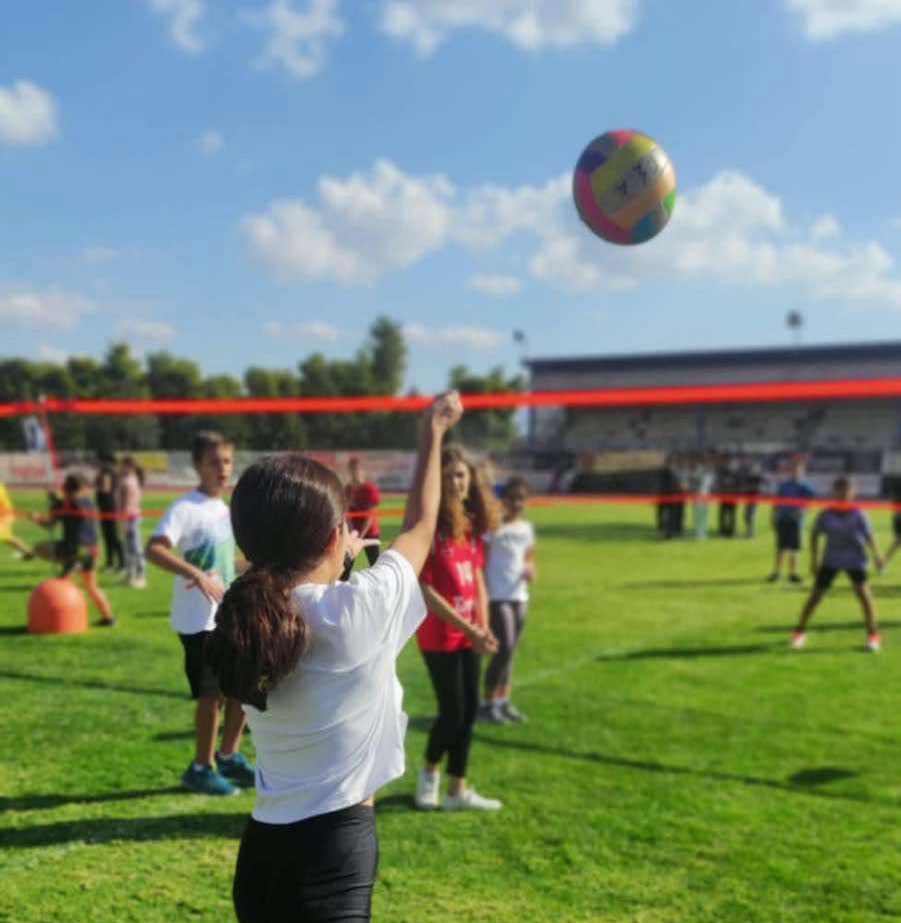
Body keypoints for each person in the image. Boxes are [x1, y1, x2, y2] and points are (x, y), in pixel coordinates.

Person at [203, 392, 463, 923]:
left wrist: (333, 562)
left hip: (260, 858)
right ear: (332, 538)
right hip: (332, 853)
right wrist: (432, 432)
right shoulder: (357, 609)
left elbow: (297, 598)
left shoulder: (241, 613)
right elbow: (419, 526)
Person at [145, 431, 255, 796]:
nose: (223, 468)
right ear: (197, 466)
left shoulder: (225, 510)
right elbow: (155, 549)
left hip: (224, 616)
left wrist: (257, 563)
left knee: (241, 686)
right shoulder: (185, 507)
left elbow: (223, 566)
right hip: (197, 621)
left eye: (227, 461)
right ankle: (200, 767)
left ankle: (228, 755)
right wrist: (194, 573)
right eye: (214, 462)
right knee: (211, 697)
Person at [414, 444, 502, 812]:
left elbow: (478, 578)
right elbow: (426, 590)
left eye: (461, 475)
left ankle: (457, 790)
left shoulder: (469, 524)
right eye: (449, 475)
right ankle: (429, 776)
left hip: (469, 634)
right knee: (451, 712)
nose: (456, 482)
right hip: (440, 636)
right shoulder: (430, 527)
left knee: (468, 713)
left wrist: (483, 627)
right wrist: (468, 628)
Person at [789, 477, 883, 652]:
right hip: (831, 559)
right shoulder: (826, 514)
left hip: (855, 560)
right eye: (839, 490)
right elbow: (814, 535)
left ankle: (873, 636)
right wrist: (814, 559)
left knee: (865, 598)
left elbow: (870, 536)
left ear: (852, 493)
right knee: (815, 597)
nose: (843, 494)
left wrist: (877, 556)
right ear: (834, 492)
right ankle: (799, 632)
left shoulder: (859, 514)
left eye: (847, 491)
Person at [480, 476, 536, 724]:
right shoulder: (493, 527)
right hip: (497, 595)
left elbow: (529, 557)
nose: (517, 503)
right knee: (504, 649)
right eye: (512, 498)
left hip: (519, 594)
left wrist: (530, 569)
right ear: (503, 500)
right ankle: (488, 702)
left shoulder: (525, 529)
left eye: (521, 499)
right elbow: (481, 561)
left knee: (510, 652)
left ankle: (503, 702)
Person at [31, 473, 116, 626]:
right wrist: (56, 502)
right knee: (91, 586)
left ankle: (61, 622)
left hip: (75, 550)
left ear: (65, 488)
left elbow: (49, 525)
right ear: (82, 487)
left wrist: (37, 517)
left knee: (39, 549)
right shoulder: (88, 502)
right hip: (92, 550)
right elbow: (73, 507)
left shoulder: (65, 504)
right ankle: (108, 617)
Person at [767, 458, 815, 583]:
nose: (795, 472)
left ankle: (793, 573)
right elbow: (776, 502)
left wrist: (803, 510)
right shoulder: (784, 485)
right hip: (783, 518)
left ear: (802, 471)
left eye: (798, 470)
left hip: (795, 520)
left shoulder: (805, 486)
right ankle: (777, 572)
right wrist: (773, 515)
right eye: (793, 469)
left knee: (794, 547)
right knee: (780, 547)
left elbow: (811, 501)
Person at [340, 456, 381, 580]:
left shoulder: (370, 488)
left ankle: (379, 589)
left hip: (370, 532)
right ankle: (341, 589)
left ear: (362, 471)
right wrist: (352, 532)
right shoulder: (347, 489)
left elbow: (369, 515)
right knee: (346, 565)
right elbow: (346, 513)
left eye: (356, 470)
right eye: (352, 470)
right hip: (354, 533)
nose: (354, 473)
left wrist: (361, 536)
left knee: (375, 564)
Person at [119, 456, 146, 588]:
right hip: (130, 515)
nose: (121, 467)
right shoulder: (132, 479)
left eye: (123, 465)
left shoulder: (129, 481)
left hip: (130, 516)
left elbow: (126, 502)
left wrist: (123, 520)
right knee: (129, 547)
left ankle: (140, 575)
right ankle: (130, 574)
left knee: (134, 546)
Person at [95, 452, 125, 573]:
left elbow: (105, 488)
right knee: (108, 535)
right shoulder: (110, 471)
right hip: (107, 506)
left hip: (108, 506)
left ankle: (120, 563)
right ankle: (111, 562)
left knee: (112, 535)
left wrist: (98, 484)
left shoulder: (107, 471)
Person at [0, 478, 34, 559]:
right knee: (7, 537)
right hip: (4, 515)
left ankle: (28, 552)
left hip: (5, 516)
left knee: (4, 536)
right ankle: (28, 552)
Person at [690, 457, 714, 540]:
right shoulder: (698, 473)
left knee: (702, 515)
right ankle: (699, 533)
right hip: (698, 496)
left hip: (704, 497)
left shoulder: (709, 475)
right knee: (698, 515)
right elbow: (693, 483)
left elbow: (710, 485)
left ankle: (702, 533)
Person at [741, 461, 764, 538]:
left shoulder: (759, 477)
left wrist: (751, 487)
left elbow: (759, 488)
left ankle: (750, 533)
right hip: (748, 499)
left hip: (754, 500)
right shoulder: (749, 477)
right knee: (746, 516)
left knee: (751, 516)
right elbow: (745, 487)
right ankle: (748, 531)